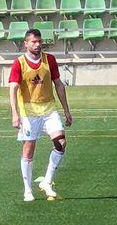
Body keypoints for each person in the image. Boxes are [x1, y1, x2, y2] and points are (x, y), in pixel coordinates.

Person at [9, 28, 72, 201]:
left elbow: (59, 84)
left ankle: (47, 181)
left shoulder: (49, 59)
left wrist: (66, 110)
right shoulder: (19, 63)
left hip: (49, 109)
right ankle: (28, 189)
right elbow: (13, 88)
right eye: (34, 42)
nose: (37, 45)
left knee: (61, 142)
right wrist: (15, 114)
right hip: (28, 112)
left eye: (39, 41)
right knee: (28, 150)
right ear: (26, 43)